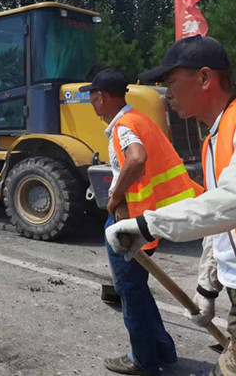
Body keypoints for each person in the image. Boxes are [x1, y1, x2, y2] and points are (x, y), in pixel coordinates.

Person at [106, 35, 236, 375]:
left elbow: (234, 201)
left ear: (204, 78)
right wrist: (207, 288)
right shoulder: (213, 138)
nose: (166, 95)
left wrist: (146, 225)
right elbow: (221, 224)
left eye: (171, 83)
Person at [80, 68, 202, 375]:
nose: (92, 103)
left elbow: (136, 158)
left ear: (102, 97)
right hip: (145, 221)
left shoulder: (123, 125)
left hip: (129, 223)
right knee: (137, 288)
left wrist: (115, 196)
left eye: (92, 96)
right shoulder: (140, 118)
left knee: (130, 291)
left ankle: (143, 360)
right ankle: (161, 349)